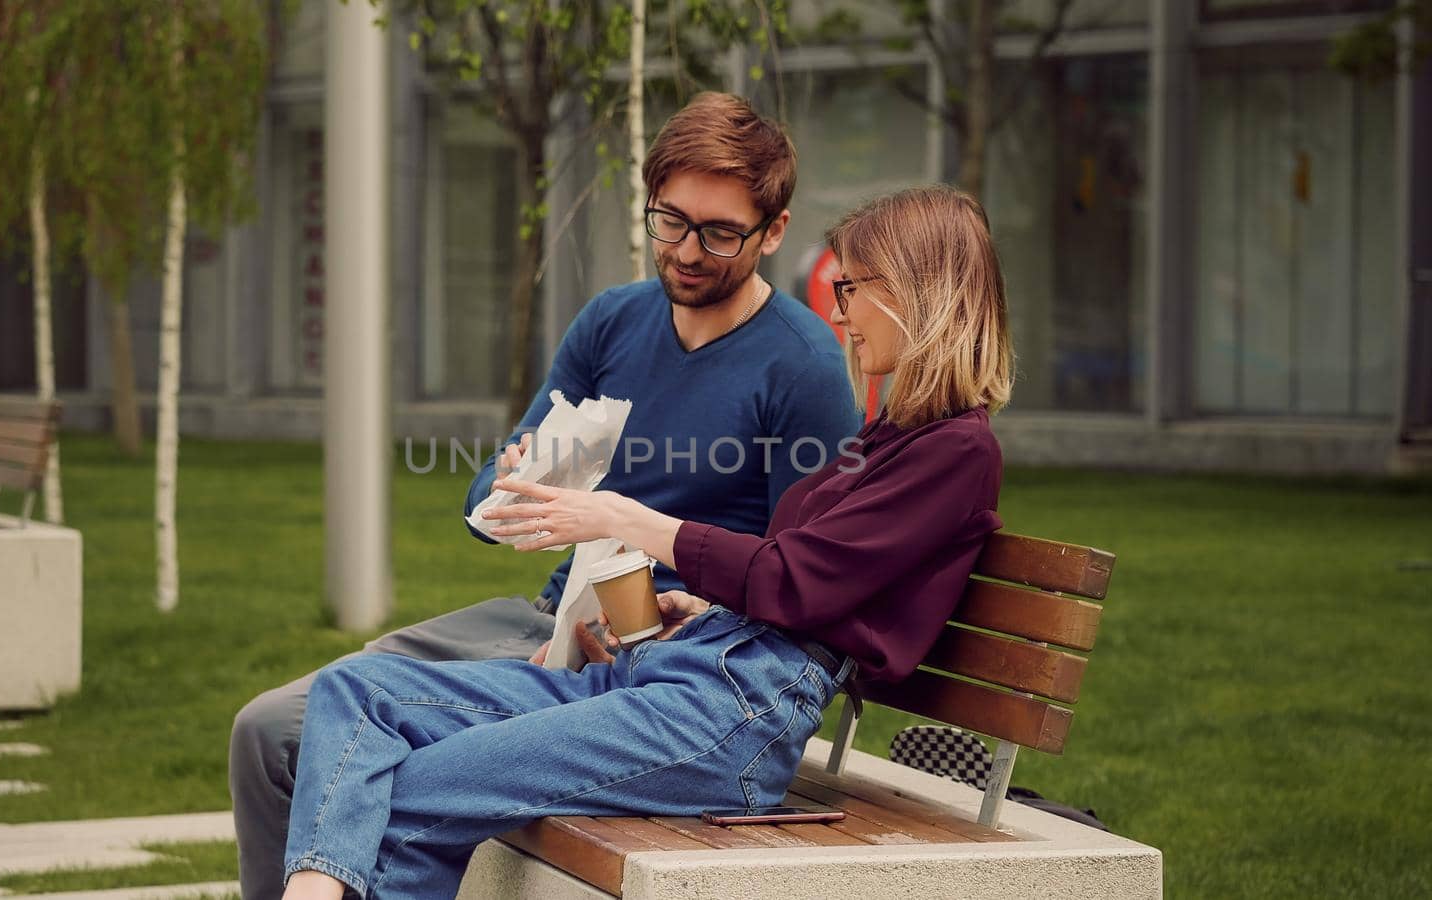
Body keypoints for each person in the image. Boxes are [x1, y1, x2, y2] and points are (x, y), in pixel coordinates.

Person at [278, 185, 1015, 900]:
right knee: (355, 691)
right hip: (683, 669)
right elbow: (819, 582)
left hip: (732, 715)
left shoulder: (956, 454)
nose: (840, 309)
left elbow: (798, 578)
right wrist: (699, 604)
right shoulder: (897, 437)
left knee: (422, 791)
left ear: (919, 291)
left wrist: (619, 517)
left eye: (852, 287)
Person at [229, 91, 860, 900]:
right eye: (670, 220)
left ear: (774, 231)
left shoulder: (802, 367)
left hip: (650, 662)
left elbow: (791, 584)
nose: (688, 250)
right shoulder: (613, 322)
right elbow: (483, 505)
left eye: (720, 232)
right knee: (263, 730)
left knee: (318, 740)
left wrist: (644, 628)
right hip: (539, 621)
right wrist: (512, 483)